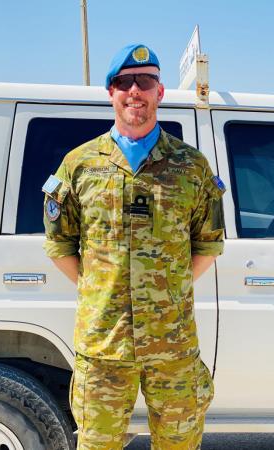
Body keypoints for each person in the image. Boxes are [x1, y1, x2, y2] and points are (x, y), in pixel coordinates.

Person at [42, 43, 226, 449]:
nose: (134, 91)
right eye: (124, 82)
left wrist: (165, 292)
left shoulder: (191, 167)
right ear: (111, 92)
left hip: (172, 346)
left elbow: (207, 247)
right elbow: (60, 246)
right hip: (104, 346)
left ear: (160, 91)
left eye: (145, 81)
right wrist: (101, 289)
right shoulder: (79, 165)